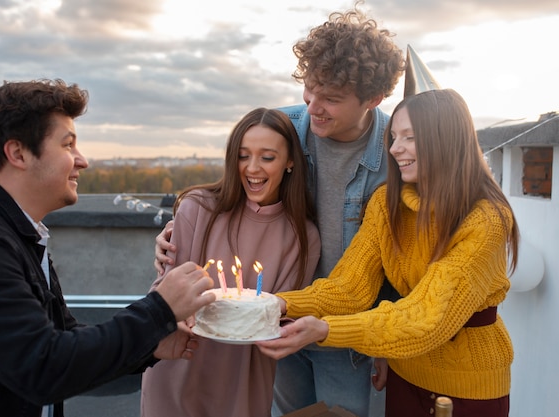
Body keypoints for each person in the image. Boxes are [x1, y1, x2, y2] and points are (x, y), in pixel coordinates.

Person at [154, 4, 405, 416]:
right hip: (275, 314)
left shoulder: (397, 155)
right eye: (310, 90)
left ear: (373, 99)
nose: (313, 107)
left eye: (331, 99)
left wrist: (384, 339)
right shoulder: (284, 128)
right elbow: (230, 194)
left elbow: (399, 252)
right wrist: (173, 235)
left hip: (343, 331)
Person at [0, 79, 215, 417]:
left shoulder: (15, 232)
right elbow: (44, 367)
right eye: (67, 145)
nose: (82, 160)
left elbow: (66, 341)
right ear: (17, 153)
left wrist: (152, 344)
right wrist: (160, 311)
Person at [256, 88, 520, 417]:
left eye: (409, 137)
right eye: (393, 137)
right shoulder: (387, 203)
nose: (395, 149)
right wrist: (281, 303)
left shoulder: (486, 219)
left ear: (446, 139)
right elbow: (350, 287)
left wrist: (327, 330)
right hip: (405, 373)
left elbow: (427, 318)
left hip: (469, 387)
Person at [140, 107, 321, 417]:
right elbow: (164, 286)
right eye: (243, 155)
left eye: (267, 157)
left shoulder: (303, 236)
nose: (252, 168)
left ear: (290, 161)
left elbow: (284, 313)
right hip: (178, 365)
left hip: (244, 377)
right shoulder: (197, 208)